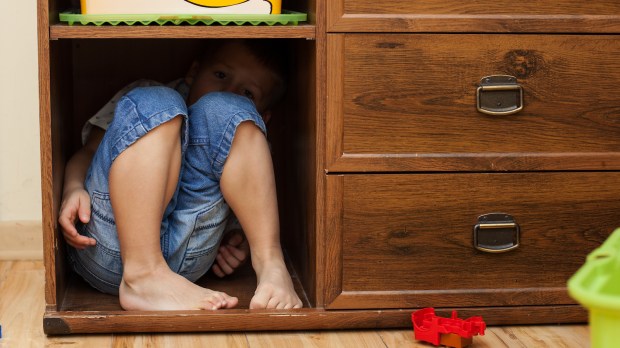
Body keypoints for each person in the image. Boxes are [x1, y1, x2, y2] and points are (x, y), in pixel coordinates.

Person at [58, 39, 303, 311]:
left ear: (265, 116)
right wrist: (72, 187)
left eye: (247, 92)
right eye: (221, 75)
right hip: (104, 243)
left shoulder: (244, 132)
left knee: (233, 114)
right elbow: (90, 152)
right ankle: (143, 275)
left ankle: (271, 266)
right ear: (194, 70)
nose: (228, 89)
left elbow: (240, 208)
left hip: (190, 256)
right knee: (155, 100)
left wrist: (237, 243)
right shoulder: (146, 97)